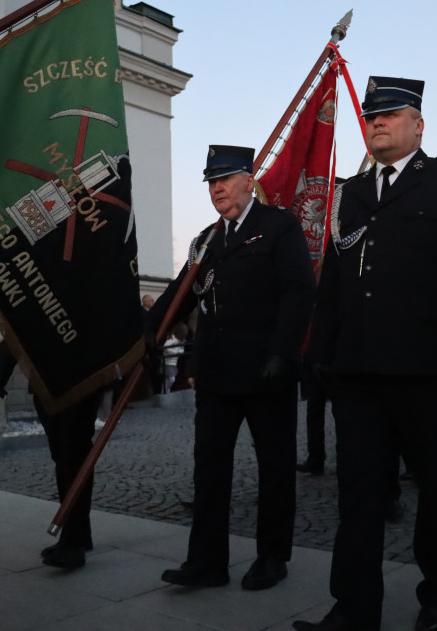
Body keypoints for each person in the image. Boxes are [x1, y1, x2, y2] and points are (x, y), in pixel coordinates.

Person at [299, 77, 437, 631]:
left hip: (425, 365)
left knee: (434, 486)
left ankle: (436, 595)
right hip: (357, 370)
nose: (376, 122)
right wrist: (322, 352)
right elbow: (334, 280)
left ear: (419, 124)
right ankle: (353, 605)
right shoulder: (352, 194)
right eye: (370, 116)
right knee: (358, 492)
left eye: (390, 114)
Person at [150, 144, 315, 592]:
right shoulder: (206, 240)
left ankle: (272, 557)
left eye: (224, 179)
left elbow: (299, 292)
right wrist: (146, 335)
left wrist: (283, 353)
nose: (216, 188)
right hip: (217, 374)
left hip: (267, 371)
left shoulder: (278, 227)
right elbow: (178, 296)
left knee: (274, 468)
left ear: (249, 179)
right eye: (210, 182)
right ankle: (206, 561)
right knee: (210, 469)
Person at [0, 340, 102, 567]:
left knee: (74, 455)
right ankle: (78, 533)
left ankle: (73, 541)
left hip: (82, 374)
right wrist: (3, 362)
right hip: (45, 377)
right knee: (62, 457)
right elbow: (22, 314)